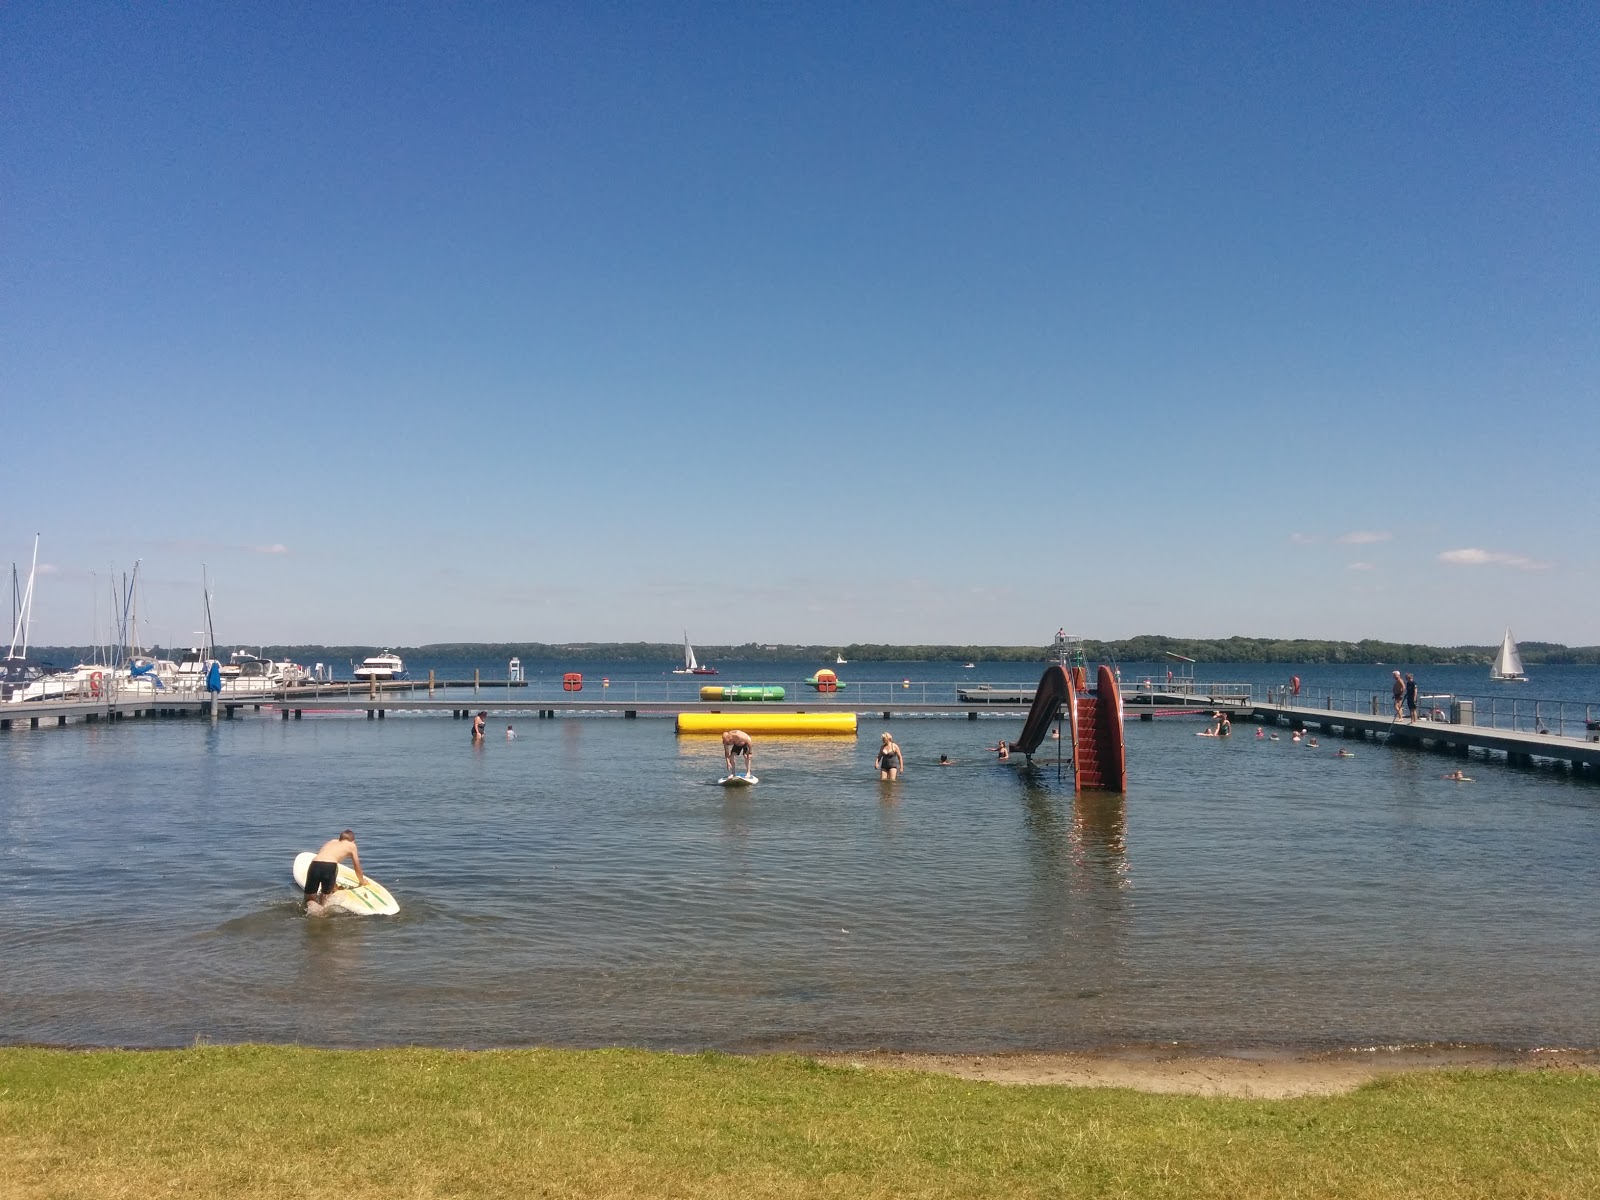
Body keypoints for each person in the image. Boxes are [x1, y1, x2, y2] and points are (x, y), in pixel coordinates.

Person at [304, 829, 364, 914]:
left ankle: (312, 914)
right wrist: (362, 881)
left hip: (314, 864)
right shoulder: (351, 845)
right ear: (353, 841)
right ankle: (322, 917)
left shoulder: (331, 842)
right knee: (325, 899)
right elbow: (356, 864)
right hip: (329, 866)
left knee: (309, 899)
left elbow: (322, 857)